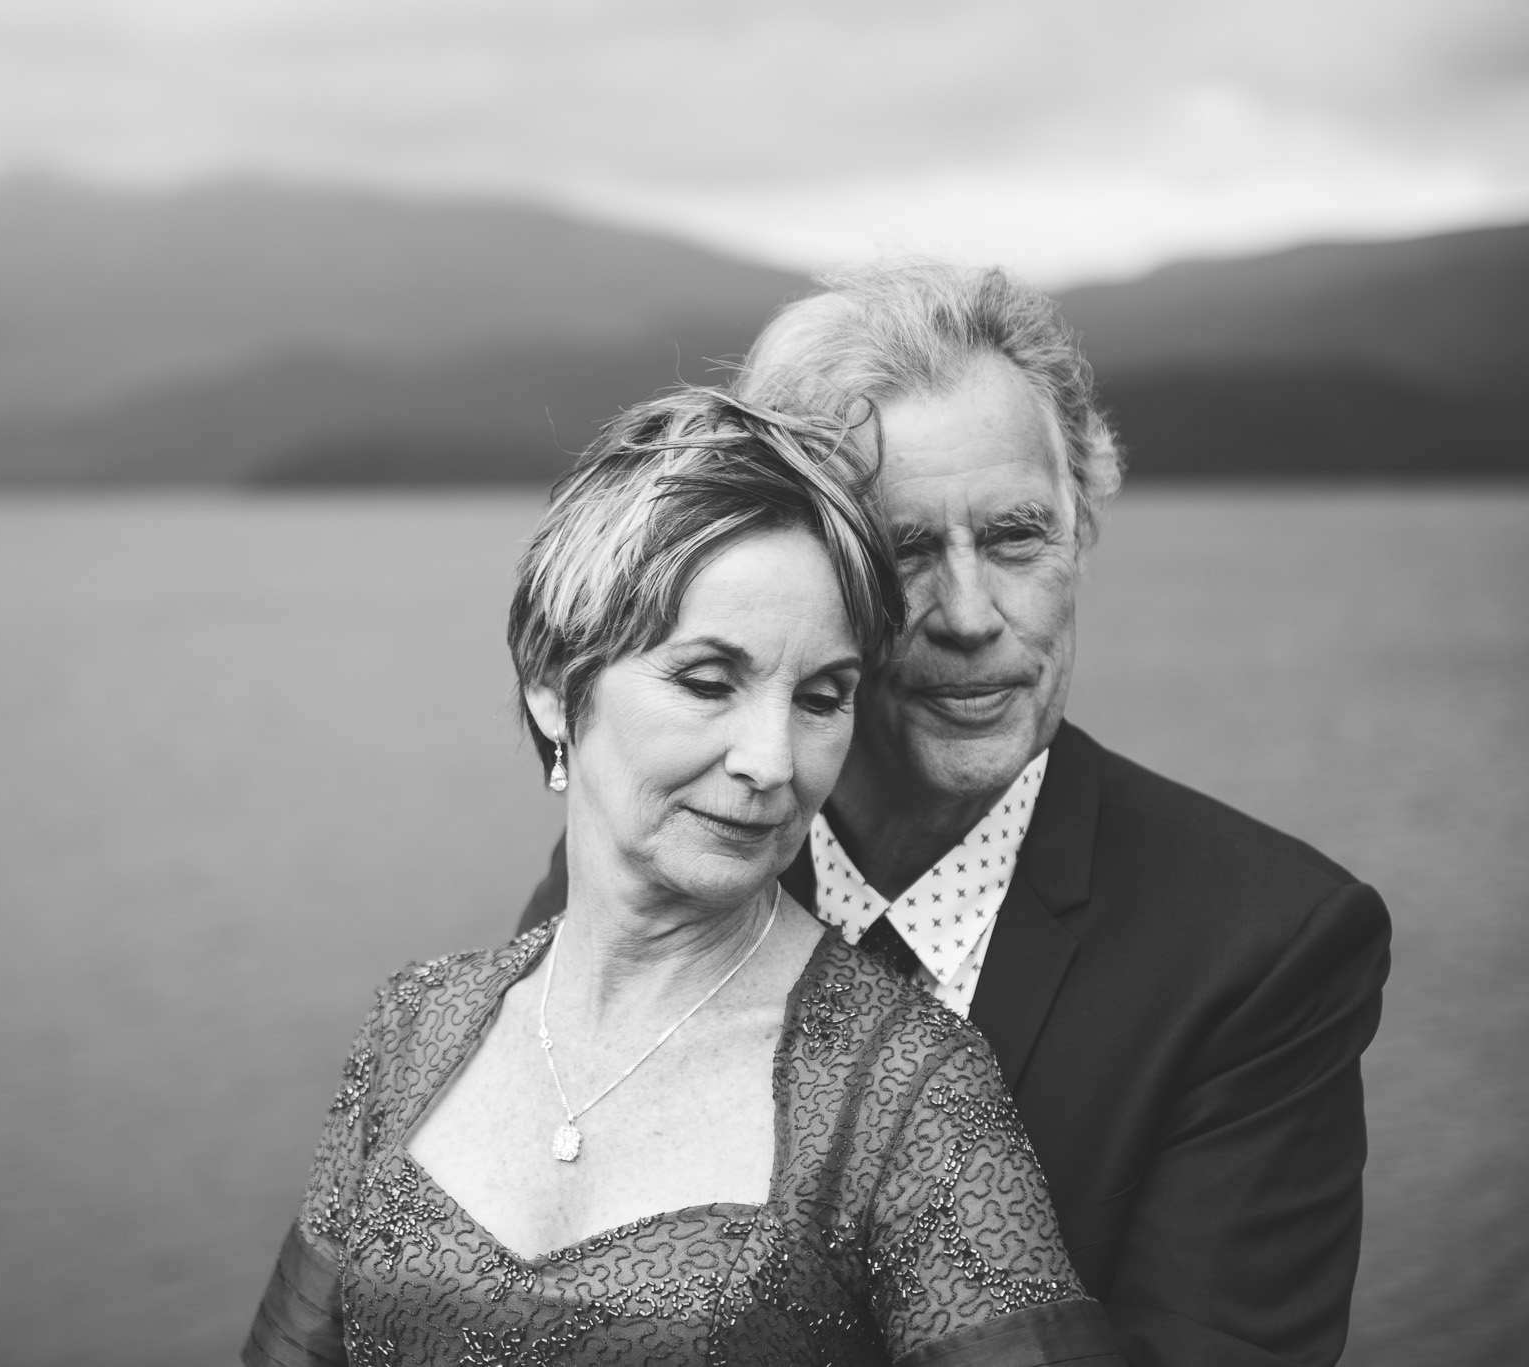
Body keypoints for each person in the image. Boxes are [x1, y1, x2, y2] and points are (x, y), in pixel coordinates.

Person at [517, 264, 1392, 1366]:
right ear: (808, 574)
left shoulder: (1266, 946)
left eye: (1017, 536)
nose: (973, 615)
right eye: (907, 551)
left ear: (1079, 540)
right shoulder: (669, 853)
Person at [245, 388, 1125, 1365]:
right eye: (708, 681)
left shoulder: (909, 1094)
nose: (771, 759)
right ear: (551, 680)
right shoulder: (413, 1028)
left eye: (820, 696)